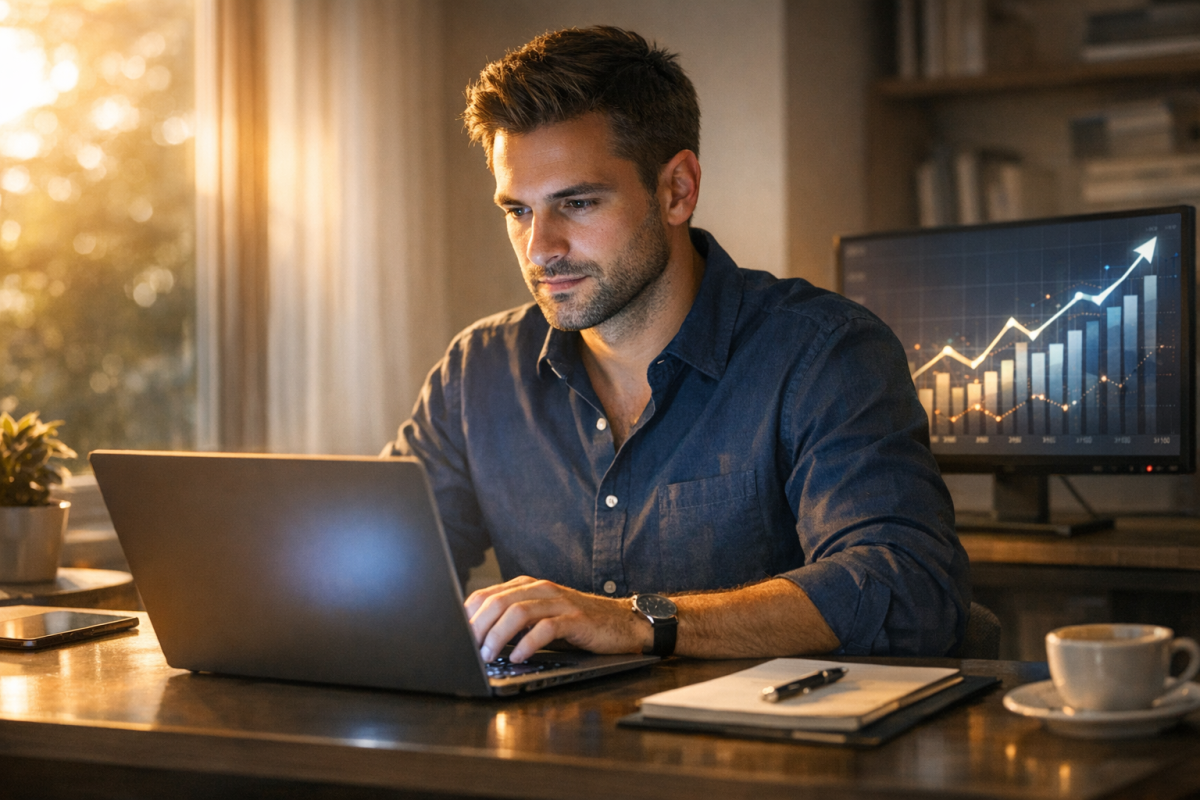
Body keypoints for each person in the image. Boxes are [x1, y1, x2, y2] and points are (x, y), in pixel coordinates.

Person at [386, 25, 970, 664]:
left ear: (677, 190)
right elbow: (375, 560)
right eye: (518, 211)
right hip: (543, 752)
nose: (540, 248)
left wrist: (636, 622)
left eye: (576, 203)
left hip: (761, 753)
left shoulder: (823, 353)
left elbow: (907, 586)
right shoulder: (477, 372)